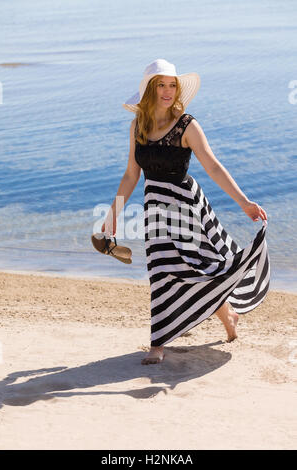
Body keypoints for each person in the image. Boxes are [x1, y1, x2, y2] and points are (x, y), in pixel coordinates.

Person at [101, 59, 270, 365]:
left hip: (184, 207)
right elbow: (130, 175)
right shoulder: (137, 126)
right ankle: (158, 343)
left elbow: (213, 166)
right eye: (160, 85)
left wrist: (244, 202)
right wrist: (113, 215)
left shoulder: (187, 125)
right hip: (154, 209)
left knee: (198, 266)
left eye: (172, 85)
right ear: (150, 90)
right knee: (161, 271)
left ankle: (226, 313)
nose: (167, 91)